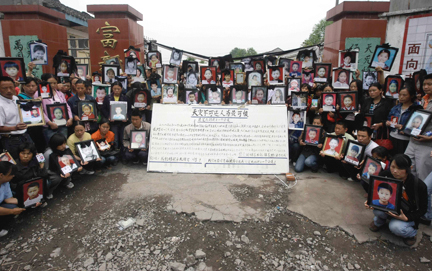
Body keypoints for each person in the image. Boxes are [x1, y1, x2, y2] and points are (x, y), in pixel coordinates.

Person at [366, 154, 427, 246]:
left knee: (395, 227)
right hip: (388, 208)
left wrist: (407, 218)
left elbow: (423, 209)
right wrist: (369, 201)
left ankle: (411, 234)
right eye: (393, 167)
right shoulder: (385, 175)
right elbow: (374, 190)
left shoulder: (418, 185)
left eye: (399, 168)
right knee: (377, 211)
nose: (395, 171)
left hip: (406, 214)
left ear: (409, 168)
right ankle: (380, 221)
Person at [405, 74, 432, 181]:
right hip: (412, 141)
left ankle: (421, 197)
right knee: (407, 170)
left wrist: (430, 138)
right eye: (424, 84)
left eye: (429, 84)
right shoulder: (421, 100)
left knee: (422, 175)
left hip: (427, 144)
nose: (426, 87)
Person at [0, 77, 33, 159]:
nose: (9, 90)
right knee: (16, 164)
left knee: (31, 160)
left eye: (11, 87)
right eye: (5, 88)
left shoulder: (16, 98)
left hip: (25, 136)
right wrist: (15, 128)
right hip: (11, 139)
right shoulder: (0, 104)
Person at [386, 86, 422, 155]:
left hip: (406, 139)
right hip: (393, 136)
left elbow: (418, 127)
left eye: (404, 95)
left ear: (411, 96)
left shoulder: (416, 109)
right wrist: (387, 123)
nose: (401, 97)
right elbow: (389, 118)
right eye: (400, 95)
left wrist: (404, 128)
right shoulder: (396, 107)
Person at [101, 81, 130, 149]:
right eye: (114, 89)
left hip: (123, 122)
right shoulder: (107, 97)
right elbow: (103, 109)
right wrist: (109, 116)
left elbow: (129, 109)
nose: (116, 91)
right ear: (112, 89)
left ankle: (123, 154)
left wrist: (127, 117)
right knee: (115, 138)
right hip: (113, 122)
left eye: (118, 89)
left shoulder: (125, 98)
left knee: (123, 138)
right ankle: (116, 153)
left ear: (121, 89)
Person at [0, 161, 25, 237]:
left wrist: (28, 201)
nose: (13, 176)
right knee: (11, 210)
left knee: (13, 207)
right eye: (11, 175)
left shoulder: (5, 182)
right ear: (1, 175)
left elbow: (9, 199)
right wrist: (11, 211)